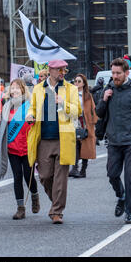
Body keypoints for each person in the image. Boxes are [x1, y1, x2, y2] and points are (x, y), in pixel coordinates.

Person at [96, 58, 131, 224]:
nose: (115, 76)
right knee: (112, 174)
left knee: (130, 177)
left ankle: (130, 211)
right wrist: (104, 99)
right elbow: (99, 113)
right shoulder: (108, 89)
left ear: (127, 73)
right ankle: (121, 195)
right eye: (113, 73)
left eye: (118, 73)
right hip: (113, 141)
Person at [26, 60, 82, 224]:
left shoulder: (70, 88)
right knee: (44, 176)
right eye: (59, 70)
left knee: (60, 178)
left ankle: (57, 211)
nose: (62, 73)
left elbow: (77, 111)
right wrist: (29, 115)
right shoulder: (38, 88)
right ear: (50, 70)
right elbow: (33, 108)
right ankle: (56, 201)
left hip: (63, 137)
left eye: (64, 70)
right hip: (43, 138)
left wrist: (63, 103)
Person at [0, 79, 40, 220]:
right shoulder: (6, 106)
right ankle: (20, 208)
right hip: (12, 147)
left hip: (27, 147)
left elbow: (37, 123)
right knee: (17, 176)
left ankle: (34, 195)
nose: (14, 91)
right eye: (12, 88)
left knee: (28, 176)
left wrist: (33, 120)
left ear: (22, 90)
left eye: (17, 88)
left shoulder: (30, 105)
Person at [69, 74, 98, 178]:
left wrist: (93, 123)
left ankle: (83, 170)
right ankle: (74, 168)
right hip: (75, 121)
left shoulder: (88, 95)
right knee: (75, 145)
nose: (76, 83)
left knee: (85, 146)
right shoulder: (71, 94)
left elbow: (93, 109)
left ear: (84, 83)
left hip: (86, 122)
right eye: (75, 81)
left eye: (79, 81)